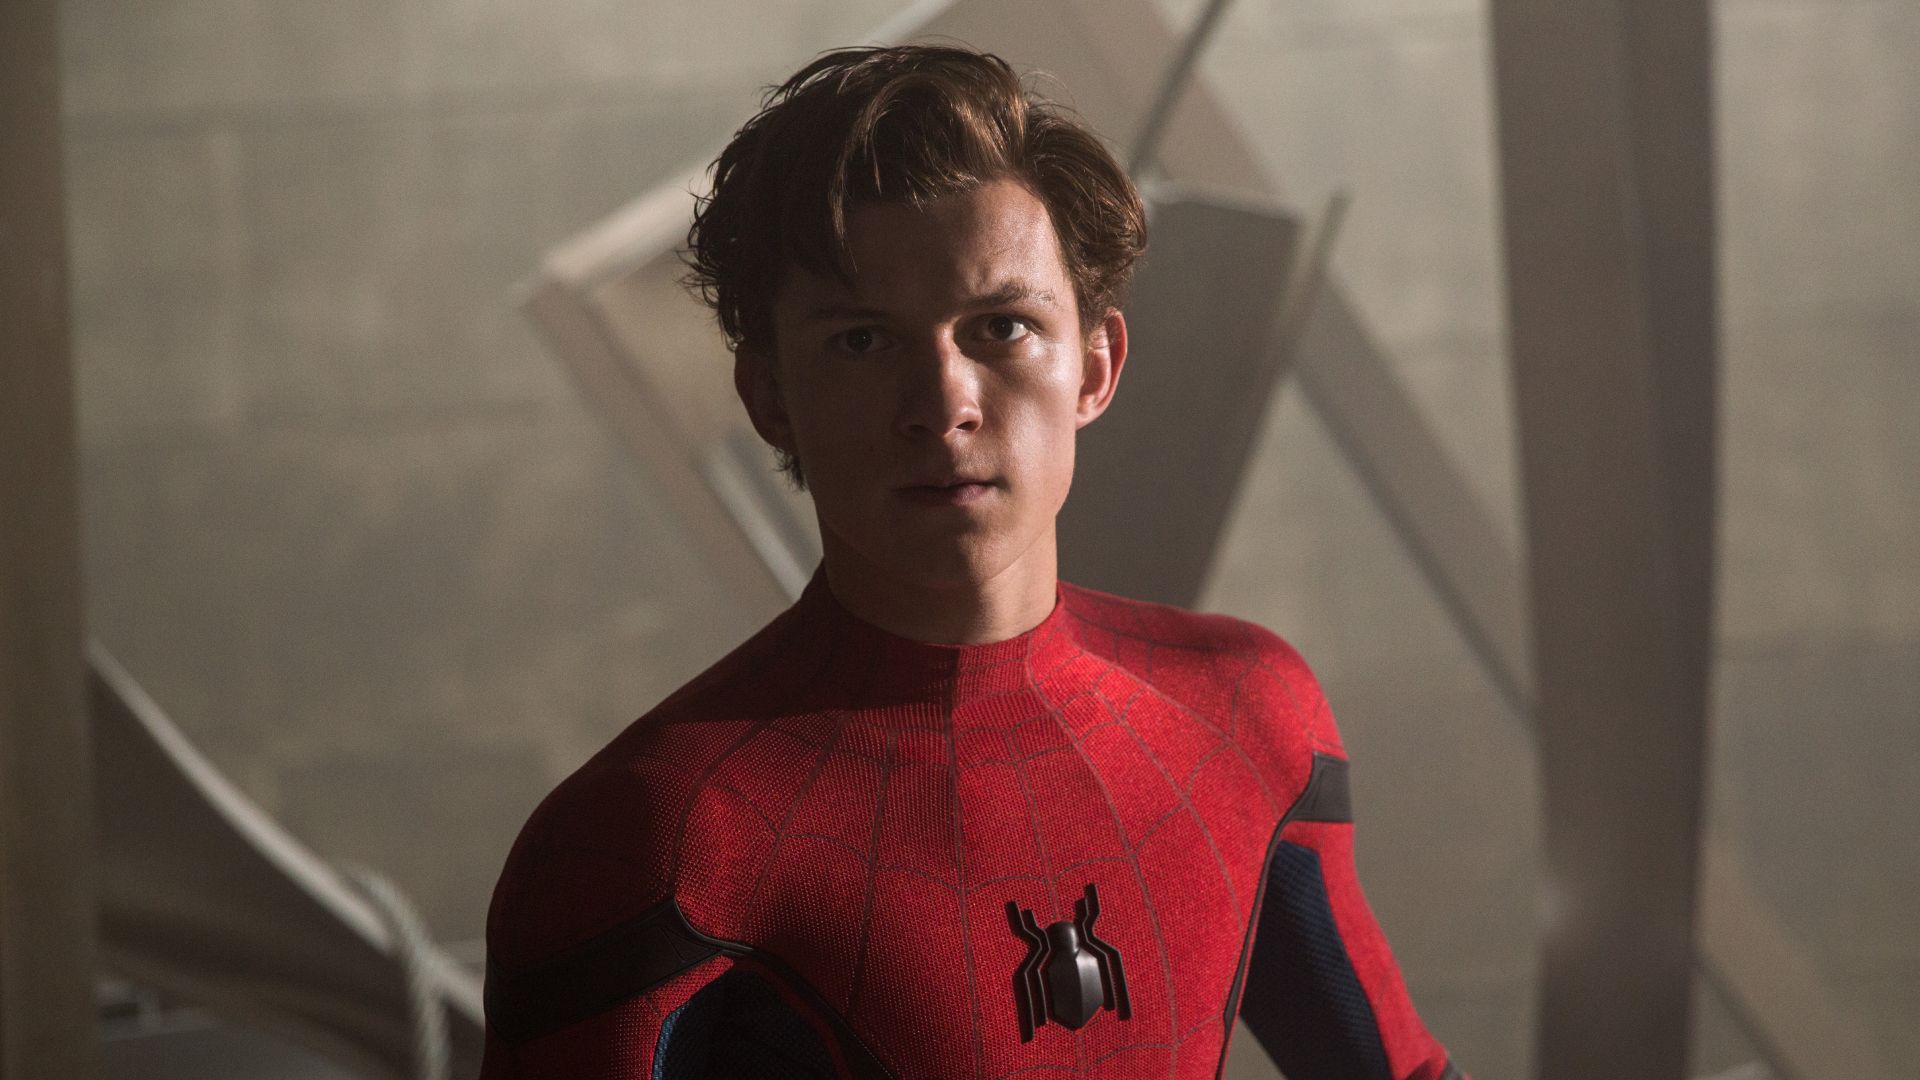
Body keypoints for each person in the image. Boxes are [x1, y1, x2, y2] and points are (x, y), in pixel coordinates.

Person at [479, 44, 1463, 1080]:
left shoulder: (1249, 710)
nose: (943, 404)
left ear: (1095, 367)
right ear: (770, 396)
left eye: (1001, 327)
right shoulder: (654, 838)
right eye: (864, 341)